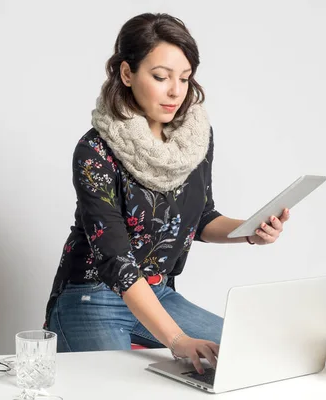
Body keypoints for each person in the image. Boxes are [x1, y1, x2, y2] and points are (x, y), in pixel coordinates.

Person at [43, 12, 290, 374]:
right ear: (127, 73)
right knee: (114, 390)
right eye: (161, 77)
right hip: (91, 297)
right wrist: (177, 340)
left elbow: (201, 217)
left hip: (157, 295)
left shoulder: (195, 140)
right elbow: (117, 261)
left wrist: (250, 231)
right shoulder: (95, 150)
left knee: (249, 357)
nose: (176, 91)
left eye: (185, 78)